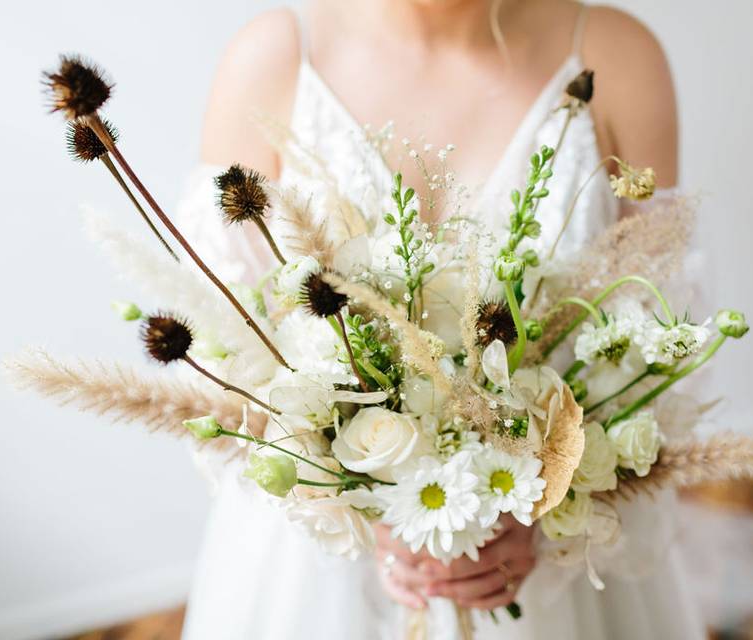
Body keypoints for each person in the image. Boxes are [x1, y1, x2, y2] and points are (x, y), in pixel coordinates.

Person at [178, 1, 701, 638]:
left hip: (555, 581)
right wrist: (349, 499)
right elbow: (221, 343)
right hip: (322, 579)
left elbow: (659, 342)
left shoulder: (617, 55)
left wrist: (551, 509)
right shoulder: (274, 59)